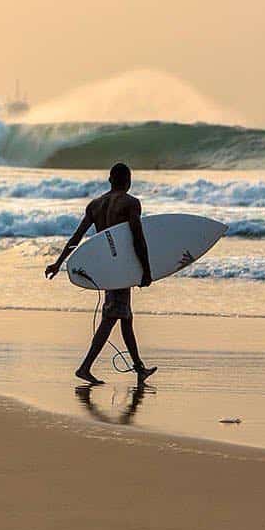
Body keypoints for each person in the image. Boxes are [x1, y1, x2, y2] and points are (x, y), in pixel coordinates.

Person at [44, 162, 158, 385]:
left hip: (107, 267)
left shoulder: (95, 205)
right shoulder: (131, 203)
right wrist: (146, 270)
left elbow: (77, 238)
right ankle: (85, 368)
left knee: (125, 317)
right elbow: (138, 238)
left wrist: (58, 264)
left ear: (109, 180)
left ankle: (139, 368)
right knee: (112, 316)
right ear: (128, 181)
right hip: (122, 268)